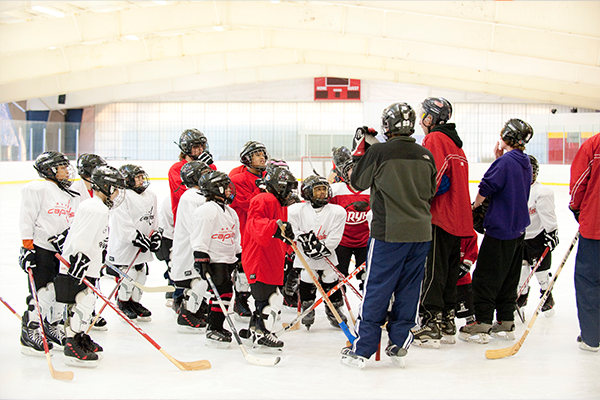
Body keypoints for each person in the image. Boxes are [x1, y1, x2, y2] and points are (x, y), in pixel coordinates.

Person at [341, 102, 437, 369]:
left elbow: (357, 183)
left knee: (377, 288)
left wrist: (361, 151)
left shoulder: (380, 151)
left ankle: (363, 349)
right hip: (421, 233)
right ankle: (400, 342)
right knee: (409, 289)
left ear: (387, 125)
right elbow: (431, 191)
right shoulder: (425, 154)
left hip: (389, 233)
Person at [459, 119, 533, 344]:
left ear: (506, 135)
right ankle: (505, 320)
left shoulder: (506, 162)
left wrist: (475, 206)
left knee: (486, 276)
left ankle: (482, 322)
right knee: (509, 276)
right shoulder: (525, 161)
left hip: (500, 227)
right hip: (518, 229)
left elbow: (487, 186)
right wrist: (499, 157)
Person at [412, 97, 473, 348]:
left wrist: (419, 198)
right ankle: (447, 320)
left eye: (423, 115)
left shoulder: (434, 138)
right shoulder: (456, 144)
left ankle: (430, 323)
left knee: (433, 271)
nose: (419, 120)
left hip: (440, 216)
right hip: (457, 218)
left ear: (431, 118)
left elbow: (433, 177)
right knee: (447, 271)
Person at [57, 165, 126, 367]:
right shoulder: (94, 207)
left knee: (86, 304)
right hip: (80, 265)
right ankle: (72, 343)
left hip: (89, 265)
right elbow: (82, 236)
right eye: (114, 188)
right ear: (105, 186)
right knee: (80, 303)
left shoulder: (98, 207)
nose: (116, 193)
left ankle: (79, 336)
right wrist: (79, 258)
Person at [18, 151, 80, 355]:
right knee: (42, 291)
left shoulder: (69, 193)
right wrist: (27, 248)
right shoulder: (38, 188)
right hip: (42, 249)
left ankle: (51, 325)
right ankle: (31, 329)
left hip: (61, 252)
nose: (65, 170)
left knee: (57, 291)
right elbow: (27, 218)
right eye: (61, 166)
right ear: (48, 169)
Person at [243, 165, 297, 352]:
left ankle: (253, 330)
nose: (290, 193)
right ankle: (262, 333)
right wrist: (277, 225)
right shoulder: (264, 198)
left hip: (270, 256)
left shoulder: (277, 203)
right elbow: (255, 223)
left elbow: (279, 231)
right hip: (259, 257)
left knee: (267, 297)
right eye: (288, 188)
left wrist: (288, 245)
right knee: (270, 299)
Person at [288, 175, 347, 329]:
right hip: (305, 256)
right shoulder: (295, 210)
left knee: (330, 277)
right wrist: (304, 241)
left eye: (324, 189)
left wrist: (324, 247)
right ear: (308, 192)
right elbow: (293, 230)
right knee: (308, 275)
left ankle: (334, 307)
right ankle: (308, 308)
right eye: (318, 190)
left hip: (327, 255)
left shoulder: (337, 211)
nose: (322, 193)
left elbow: (335, 236)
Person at [192, 171, 241, 347]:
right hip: (215, 259)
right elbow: (200, 236)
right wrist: (200, 256)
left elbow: (235, 236)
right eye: (225, 186)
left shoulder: (230, 211)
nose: (229, 189)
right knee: (220, 294)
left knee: (226, 294)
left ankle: (217, 326)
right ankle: (213, 327)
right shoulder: (206, 210)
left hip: (228, 258)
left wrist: (238, 253)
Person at [105, 164, 160, 322]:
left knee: (141, 275)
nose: (141, 180)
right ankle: (123, 303)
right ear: (127, 180)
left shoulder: (151, 195)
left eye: (142, 177)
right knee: (128, 275)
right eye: (137, 178)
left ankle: (134, 303)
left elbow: (154, 219)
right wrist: (135, 237)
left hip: (143, 246)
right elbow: (121, 223)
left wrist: (156, 235)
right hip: (124, 247)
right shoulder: (121, 196)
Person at [229, 141, 269, 321]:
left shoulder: (269, 176)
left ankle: (262, 300)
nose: (262, 157)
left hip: (264, 230)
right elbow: (246, 204)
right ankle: (241, 299)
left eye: (263, 154)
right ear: (247, 158)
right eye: (257, 154)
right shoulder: (238, 179)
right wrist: (260, 191)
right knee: (244, 267)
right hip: (245, 230)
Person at [170, 161, 212, 330]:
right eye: (203, 173)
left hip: (199, 245)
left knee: (202, 280)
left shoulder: (203, 195)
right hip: (189, 248)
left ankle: (196, 310)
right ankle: (186, 314)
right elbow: (192, 225)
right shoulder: (190, 197)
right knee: (197, 281)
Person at [517, 155, 559, 317]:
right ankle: (522, 296)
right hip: (520, 237)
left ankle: (546, 296)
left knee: (541, 270)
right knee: (521, 270)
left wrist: (552, 232)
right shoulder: (516, 190)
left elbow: (548, 216)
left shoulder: (542, 192)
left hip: (538, 238)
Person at [569, 132, 600, 352]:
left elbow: (579, 181)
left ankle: (591, 337)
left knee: (589, 281)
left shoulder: (595, 143)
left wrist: (578, 209)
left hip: (596, 225)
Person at [329, 146, 370, 290]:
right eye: (352, 168)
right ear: (345, 172)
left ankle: (369, 305)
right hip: (342, 241)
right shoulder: (336, 190)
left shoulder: (372, 190)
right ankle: (337, 302)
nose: (356, 172)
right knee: (336, 276)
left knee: (368, 276)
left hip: (365, 241)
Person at [168, 129, 216, 225]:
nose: (201, 150)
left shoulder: (210, 167)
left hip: (209, 218)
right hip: (186, 220)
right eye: (196, 146)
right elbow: (185, 193)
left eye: (202, 146)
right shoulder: (176, 169)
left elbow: (215, 191)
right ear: (186, 148)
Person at [455, 231, 478, 327]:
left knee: (466, 302)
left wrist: (466, 265)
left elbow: (472, 251)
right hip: (444, 279)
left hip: (463, 281)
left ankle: (470, 320)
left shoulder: (470, 233)